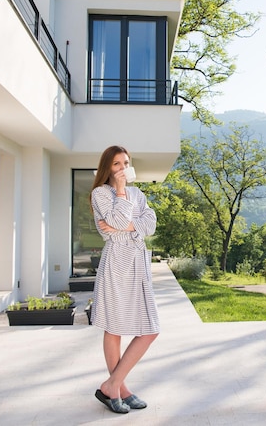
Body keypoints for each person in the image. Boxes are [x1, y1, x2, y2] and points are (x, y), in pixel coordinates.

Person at [89, 145, 160, 414]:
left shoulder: (137, 192)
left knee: (150, 329)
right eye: (116, 164)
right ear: (107, 167)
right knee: (115, 327)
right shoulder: (100, 194)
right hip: (117, 262)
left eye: (125, 163)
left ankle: (112, 385)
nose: (121, 168)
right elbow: (118, 219)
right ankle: (120, 390)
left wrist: (129, 225)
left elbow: (150, 223)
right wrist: (121, 193)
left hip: (138, 262)